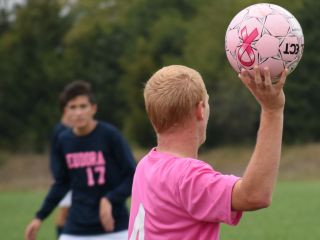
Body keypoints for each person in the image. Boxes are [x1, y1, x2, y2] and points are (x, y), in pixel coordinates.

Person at [128, 65, 287, 240]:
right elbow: (255, 195)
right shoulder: (187, 176)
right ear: (200, 109)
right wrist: (272, 111)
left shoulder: (145, 165)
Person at [25, 80, 136, 240]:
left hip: (115, 226)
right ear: (66, 112)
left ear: (93, 108)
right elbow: (61, 183)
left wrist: (109, 199)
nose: (78, 112)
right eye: (73, 107)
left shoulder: (110, 135)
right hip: (77, 227)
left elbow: (133, 176)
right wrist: (39, 217)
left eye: (83, 106)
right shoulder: (63, 141)